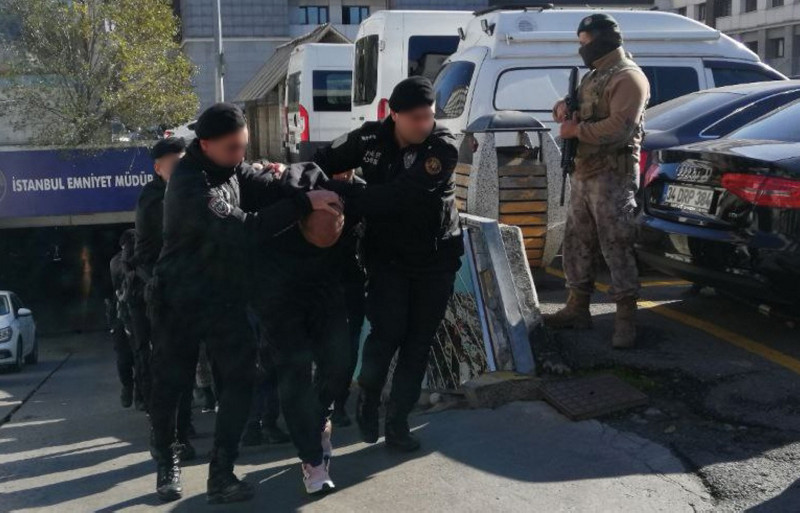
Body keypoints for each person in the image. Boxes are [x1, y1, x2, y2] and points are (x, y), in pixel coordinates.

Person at [147, 102, 341, 504]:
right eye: (232, 148)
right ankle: (167, 462)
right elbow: (245, 229)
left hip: (224, 297)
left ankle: (222, 473)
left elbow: (266, 186)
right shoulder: (190, 183)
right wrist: (303, 205)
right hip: (180, 298)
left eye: (243, 147)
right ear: (205, 144)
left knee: (240, 381)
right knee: (172, 383)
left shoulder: (231, 167)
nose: (240, 155)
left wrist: (305, 185)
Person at [313, 76, 463, 453]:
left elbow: (399, 197)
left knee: (418, 343)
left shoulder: (441, 147)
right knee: (386, 334)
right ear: (393, 114)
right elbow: (319, 163)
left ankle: (398, 423)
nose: (424, 124)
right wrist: (321, 186)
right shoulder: (369, 140)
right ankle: (368, 399)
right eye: (415, 118)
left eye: (429, 116)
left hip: (435, 259)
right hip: (388, 258)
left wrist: (345, 192)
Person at [545, 14, 650, 349]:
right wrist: (562, 109)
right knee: (577, 241)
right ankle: (577, 308)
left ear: (604, 40)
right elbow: (576, 107)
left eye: (586, 42)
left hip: (612, 176)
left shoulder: (628, 77)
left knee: (616, 244)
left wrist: (576, 131)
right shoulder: (594, 76)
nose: (582, 49)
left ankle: (625, 319)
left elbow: (620, 127)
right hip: (584, 172)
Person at [249, 163, 353, 495]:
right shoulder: (273, 206)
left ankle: (319, 419)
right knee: (294, 377)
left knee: (339, 365)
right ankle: (313, 462)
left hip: (325, 292)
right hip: (279, 298)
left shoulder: (343, 200)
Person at [329, 169, 367, 428]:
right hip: (324, 280)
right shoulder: (315, 186)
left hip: (352, 278)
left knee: (350, 344)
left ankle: (338, 401)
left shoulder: (362, 191)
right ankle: (326, 401)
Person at [108, 230, 138, 409]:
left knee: (138, 356)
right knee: (125, 358)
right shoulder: (118, 262)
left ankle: (139, 392)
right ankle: (129, 388)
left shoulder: (141, 258)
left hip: (136, 311)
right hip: (123, 312)